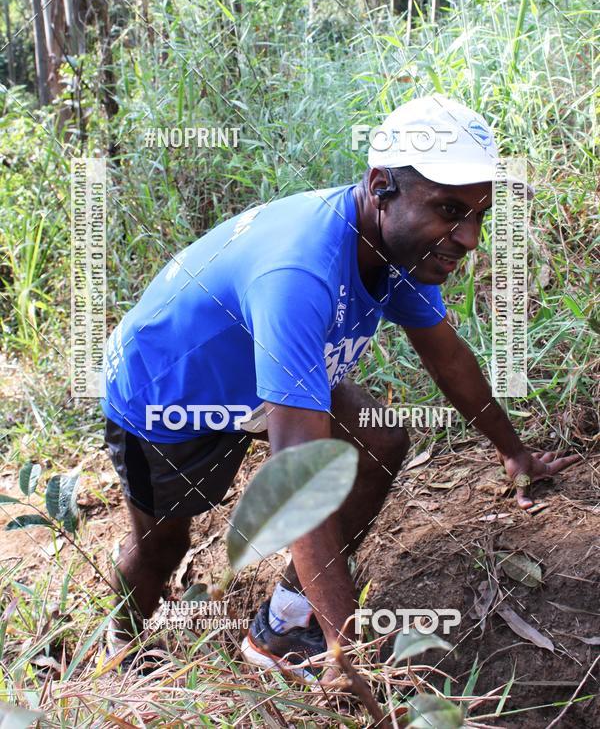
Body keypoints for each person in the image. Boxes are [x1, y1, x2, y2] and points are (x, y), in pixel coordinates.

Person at [101, 94, 579, 682]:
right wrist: (346, 650)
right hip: (171, 392)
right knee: (161, 547)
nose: (470, 237)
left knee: (377, 438)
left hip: (266, 373)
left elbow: (448, 358)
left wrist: (513, 452)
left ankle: (281, 627)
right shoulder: (300, 272)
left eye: (479, 214)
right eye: (451, 209)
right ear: (381, 186)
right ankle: (118, 655)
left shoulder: (398, 248)